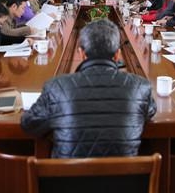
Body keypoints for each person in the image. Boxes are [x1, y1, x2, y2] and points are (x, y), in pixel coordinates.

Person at [21, 19, 156, 158]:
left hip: (68, 172)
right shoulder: (141, 87)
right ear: (117, 55)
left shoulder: (56, 87)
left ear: (81, 54)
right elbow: (150, 111)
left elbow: (29, 124)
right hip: (127, 172)